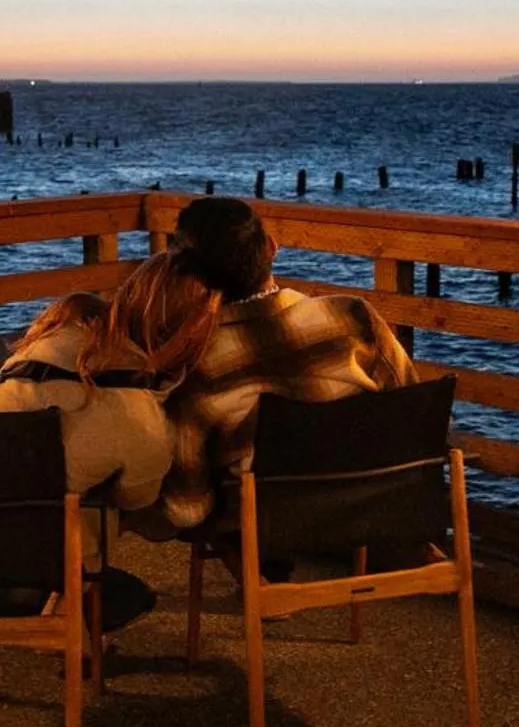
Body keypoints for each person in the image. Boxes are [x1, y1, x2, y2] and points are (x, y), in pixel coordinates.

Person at [0, 248, 221, 625]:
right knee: (111, 535)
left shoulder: (30, 361)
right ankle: (64, 625)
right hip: (45, 565)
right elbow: (138, 500)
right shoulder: (141, 419)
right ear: (188, 337)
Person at [157, 196, 418, 531]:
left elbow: (187, 510)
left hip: (267, 528)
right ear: (271, 248)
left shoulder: (196, 367)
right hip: (370, 509)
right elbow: (410, 407)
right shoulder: (353, 316)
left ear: (185, 273)